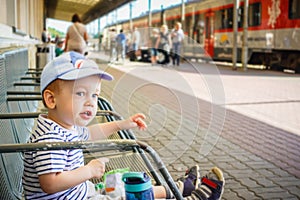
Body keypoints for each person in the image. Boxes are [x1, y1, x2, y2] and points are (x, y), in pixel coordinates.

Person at [22, 51, 225, 200]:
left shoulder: (63, 126)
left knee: (117, 183)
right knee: (121, 196)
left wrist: (122, 124)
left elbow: (91, 133)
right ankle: (187, 195)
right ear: (51, 100)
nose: (91, 102)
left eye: (95, 95)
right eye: (80, 93)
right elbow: (50, 183)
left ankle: (178, 188)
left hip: (80, 192)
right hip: (73, 196)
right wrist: (89, 171)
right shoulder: (49, 138)